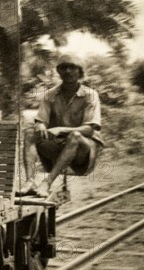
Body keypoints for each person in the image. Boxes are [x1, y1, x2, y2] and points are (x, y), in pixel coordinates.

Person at [17, 54, 104, 200]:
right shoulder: (50, 95)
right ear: (58, 71)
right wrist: (40, 126)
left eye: (72, 67)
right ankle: (30, 182)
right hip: (58, 147)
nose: (68, 71)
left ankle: (47, 183)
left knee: (75, 136)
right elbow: (41, 120)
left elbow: (90, 129)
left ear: (80, 71)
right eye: (63, 67)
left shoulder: (90, 95)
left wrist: (61, 129)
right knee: (29, 133)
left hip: (84, 153)